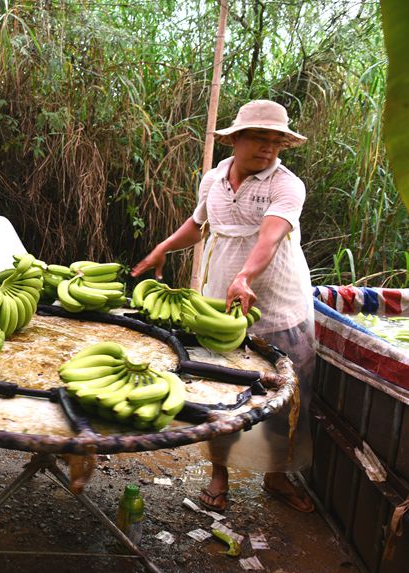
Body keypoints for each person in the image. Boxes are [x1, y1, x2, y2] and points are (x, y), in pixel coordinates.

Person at [132, 100, 315, 513]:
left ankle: (277, 476)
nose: (268, 148)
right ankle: (220, 475)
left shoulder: (287, 185)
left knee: (288, 396)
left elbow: (270, 236)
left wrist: (246, 275)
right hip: (220, 301)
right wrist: (163, 247)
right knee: (221, 390)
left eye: (277, 141)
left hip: (279, 303)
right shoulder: (214, 179)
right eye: (259, 138)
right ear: (235, 140)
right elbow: (198, 226)